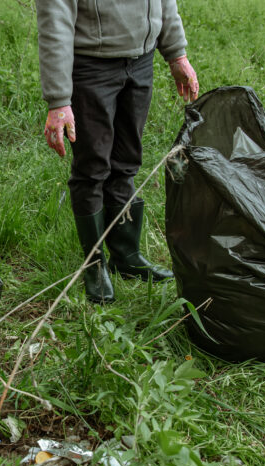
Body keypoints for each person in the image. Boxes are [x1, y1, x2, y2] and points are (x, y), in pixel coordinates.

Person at [36, 0, 199, 303]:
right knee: (92, 168)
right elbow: (54, 22)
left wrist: (176, 53)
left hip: (140, 63)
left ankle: (127, 256)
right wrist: (59, 99)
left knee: (127, 162)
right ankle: (94, 266)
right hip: (90, 67)